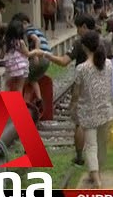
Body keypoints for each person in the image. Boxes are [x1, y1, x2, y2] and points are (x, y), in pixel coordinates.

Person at [34, 14, 96, 166]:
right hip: (100, 82)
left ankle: (80, 156)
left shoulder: (79, 43)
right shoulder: (101, 40)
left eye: (78, 28)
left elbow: (63, 62)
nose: (77, 31)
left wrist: (45, 54)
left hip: (83, 83)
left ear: (84, 27)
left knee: (80, 123)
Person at [69, 31, 113, 188]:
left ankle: (96, 179)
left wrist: (73, 106)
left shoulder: (82, 68)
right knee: (101, 145)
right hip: (107, 110)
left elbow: (76, 92)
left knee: (90, 146)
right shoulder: (108, 64)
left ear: (84, 47)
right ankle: (97, 174)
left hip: (88, 111)